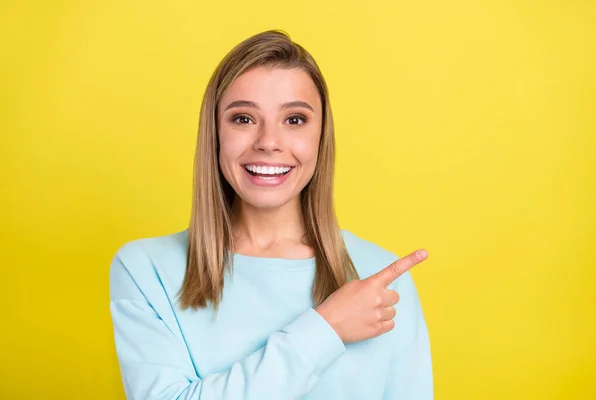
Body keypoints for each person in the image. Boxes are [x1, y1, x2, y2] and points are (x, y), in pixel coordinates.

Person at [109, 29, 433, 400]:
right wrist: (325, 329)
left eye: (294, 119)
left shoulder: (382, 280)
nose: (268, 141)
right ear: (215, 133)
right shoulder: (146, 270)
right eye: (243, 119)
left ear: (320, 136)